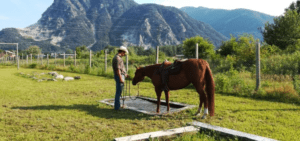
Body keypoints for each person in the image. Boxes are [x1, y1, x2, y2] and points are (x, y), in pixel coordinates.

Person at [112, 46, 129, 110]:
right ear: (122, 52)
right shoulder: (117, 58)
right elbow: (118, 70)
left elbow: (120, 69)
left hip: (121, 75)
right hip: (119, 76)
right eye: (124, 53)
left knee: (119, 92)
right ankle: (117, 107)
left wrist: (125, 74)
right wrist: (121, 78)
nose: (124, 55)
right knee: (118, 92)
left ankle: (118, 106)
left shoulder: (117, 58)